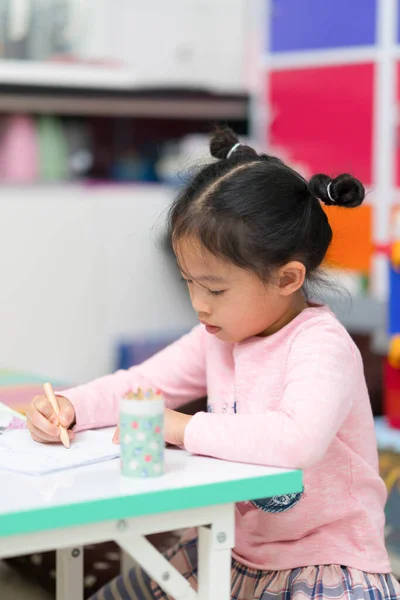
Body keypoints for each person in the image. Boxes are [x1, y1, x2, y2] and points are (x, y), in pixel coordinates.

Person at [27, 128, 400, 600]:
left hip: (322, 560)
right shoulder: (219, 334)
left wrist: (180, 427)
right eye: (190, 282)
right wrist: (70, 405)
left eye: (216, 289)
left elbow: (296, 441)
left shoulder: (319, 345)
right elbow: (143, 384)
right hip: (230, 548)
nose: (199, 306)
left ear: (287, 278)